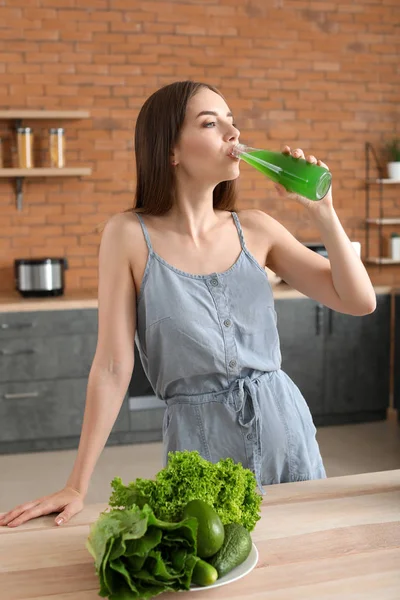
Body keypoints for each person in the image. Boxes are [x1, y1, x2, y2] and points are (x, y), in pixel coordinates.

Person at [0, 81, 376, 528]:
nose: (233, 133)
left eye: (232, 121)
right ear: (170, 151)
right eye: (211, 123)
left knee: (302, 569)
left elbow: (359, 301)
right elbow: (112, 368)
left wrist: (324, 213)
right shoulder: (127, 235)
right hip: (200, 445)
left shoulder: (258, 229)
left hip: (284, 430)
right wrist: (77, 485)